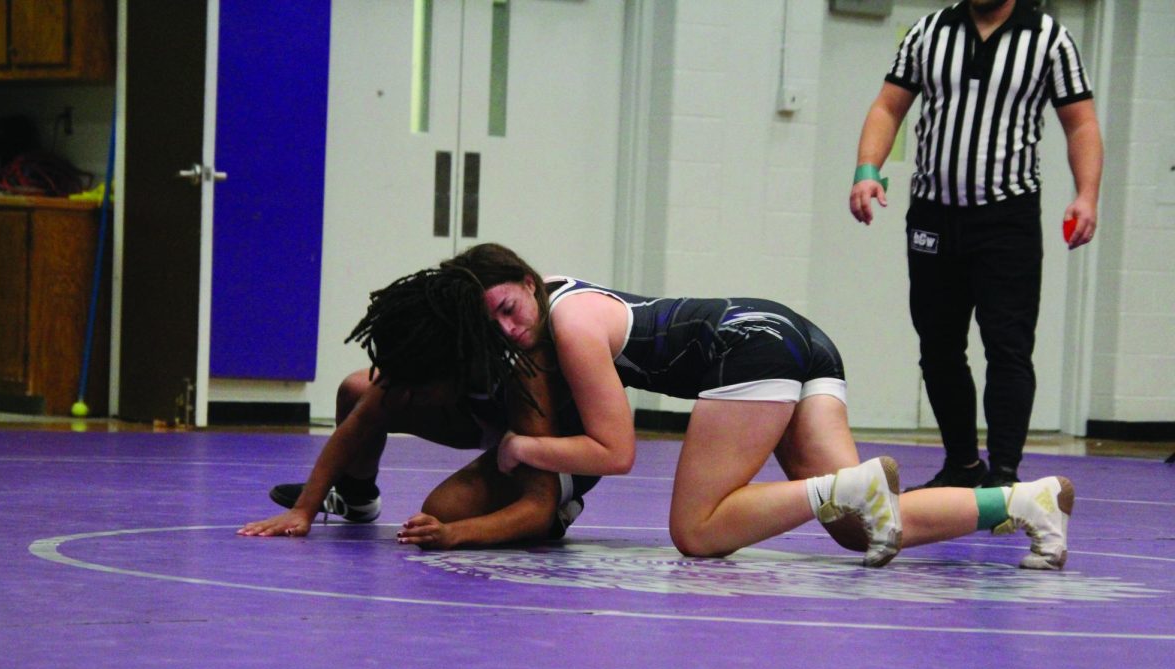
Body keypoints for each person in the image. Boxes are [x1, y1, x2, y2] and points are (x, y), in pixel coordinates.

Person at [447, 242, 1072, 570]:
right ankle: (1025, 502)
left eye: (508, 307)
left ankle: (841, 485)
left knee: (695, 533)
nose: (506, 328)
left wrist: (520, 446)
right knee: (864, 527)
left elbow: (617, 452)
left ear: (529, 283)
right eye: (491, 323)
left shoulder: (572, 324)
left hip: (748, 350)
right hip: (792, 334)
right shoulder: (560, 295)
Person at [849, 0, 1103, 490]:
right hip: (933, 213)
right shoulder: (929, 31)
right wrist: (866, 168)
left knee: (1008, 346)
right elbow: (888, 105)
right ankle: (962, 465)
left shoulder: (1050, 38)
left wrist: (1086, 195)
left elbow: (1081, 123)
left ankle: (1004, 476)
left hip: (1007, 217)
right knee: (938, 346)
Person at [238, 267, 595, 548]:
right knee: (357, 389)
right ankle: (357, 496)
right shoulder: (436, 351)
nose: (408, 399)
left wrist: (455, 534)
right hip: (489, 421)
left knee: (445, 511)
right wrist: (303, 511)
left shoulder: (523, 376)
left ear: (450, 370)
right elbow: (359, 423)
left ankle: (565, 511)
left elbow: (537, 504)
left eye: (418, 389)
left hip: (562, 441)